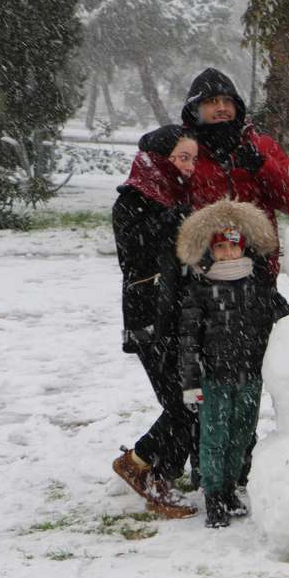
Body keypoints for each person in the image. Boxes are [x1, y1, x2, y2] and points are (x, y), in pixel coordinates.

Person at [175, 199, 288, 528]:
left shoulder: (258, 287)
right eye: (220, 248)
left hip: (250, 375)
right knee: (214, 437)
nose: (227, 253)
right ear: (211, 251)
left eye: (233, 247)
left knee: (241, 434)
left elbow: (286, 317)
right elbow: (189, 339)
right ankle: (213, 494)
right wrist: (190, 381)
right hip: (214, 378)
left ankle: (228, 488)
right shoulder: (202, 289)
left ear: (244, 249)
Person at [110, 125, 201, 519]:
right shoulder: (132, 200)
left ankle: (159, 471)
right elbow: (134, 253)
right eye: (183, 158)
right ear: (160, 159)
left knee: (191, 398)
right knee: (182, 403)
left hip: (180, 314)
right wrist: (173, 220)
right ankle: (139, 463)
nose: (190, 167)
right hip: (150, 317)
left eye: (194, 159)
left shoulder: (179, 196)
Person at [180, 68, 289, 277]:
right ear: (195, 109)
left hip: (257, 270)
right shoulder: (183, 151)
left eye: (227, 101)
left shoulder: (262, 146)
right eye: (212, 101)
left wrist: (262, 166)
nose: (222, 107)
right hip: (199, 271)